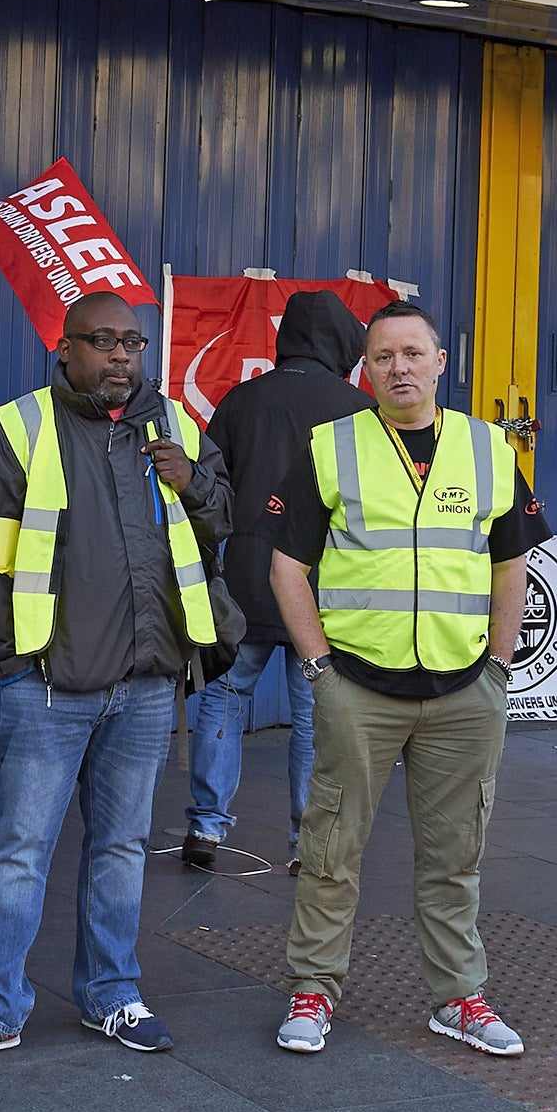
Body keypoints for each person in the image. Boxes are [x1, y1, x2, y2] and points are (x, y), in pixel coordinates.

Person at [0, 292, 232, 1065]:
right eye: (103, 342)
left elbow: (222, 520)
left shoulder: (176, 427)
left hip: (146, 680)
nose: (121, 356)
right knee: (19, 849)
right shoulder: (21, 426)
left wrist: (191, 481)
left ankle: (112, 994)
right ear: (66, 350)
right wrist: (14, 660)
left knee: (123, 847)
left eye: (132, 342)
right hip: (50, 688)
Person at [267, 300, 550, 1059]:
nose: (399, 369)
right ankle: (313, 991)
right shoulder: (333, 448)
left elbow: (511, 560)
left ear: (440, 361)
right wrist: (318, 665)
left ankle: (459, 997)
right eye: (383, 356)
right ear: (366, 368)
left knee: (456, 855)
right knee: (331, 849)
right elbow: (286, 565)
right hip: (358, 686)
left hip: (464, 691)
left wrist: (498, 662)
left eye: (412, 354)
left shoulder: (490, 449)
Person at [183, 291, 376, 874]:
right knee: (315, 715)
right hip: (321, 586)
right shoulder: (360, 409)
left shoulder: (241, 401)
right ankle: (304, 843)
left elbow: (209, 490)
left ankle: (205, 828)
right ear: (345, 344)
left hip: (244, 580)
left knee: (223, 696)